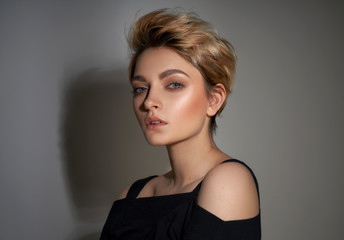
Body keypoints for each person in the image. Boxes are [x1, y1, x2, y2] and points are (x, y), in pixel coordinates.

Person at [100, 8, 261, 240]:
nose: (149, 102)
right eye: (141, 88)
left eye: (174, 84)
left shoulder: (229, 181)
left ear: (213, 100)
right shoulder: (130, 195)